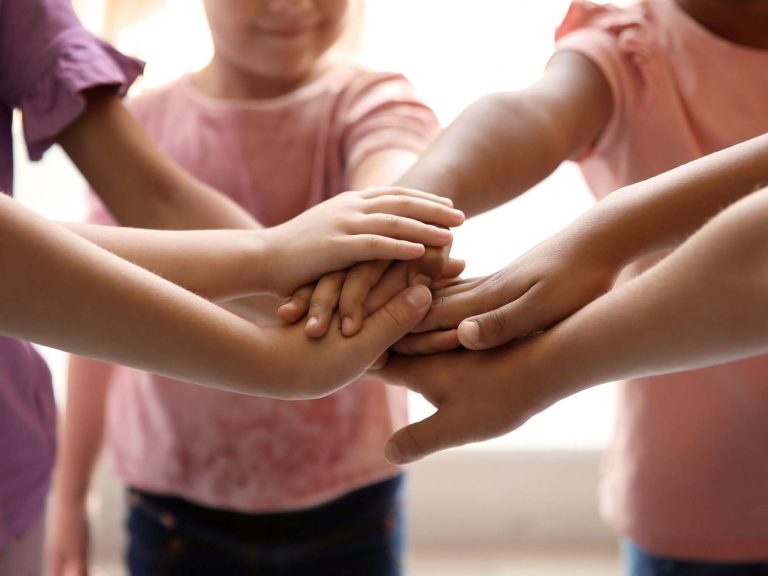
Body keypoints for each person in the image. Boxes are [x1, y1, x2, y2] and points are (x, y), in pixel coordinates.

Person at [301, 0, 768, 571]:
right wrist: (407, 211)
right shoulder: (633, 40)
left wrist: (596, 250)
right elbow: (527, 116)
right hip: (697, 504)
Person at [0, 0, 460, 572]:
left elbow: (396, 172)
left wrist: (386, 231)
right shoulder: (146, 125)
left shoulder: (372, 100)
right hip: (174, 505)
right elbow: (90, 309)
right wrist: (72, 492)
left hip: (350, 499)